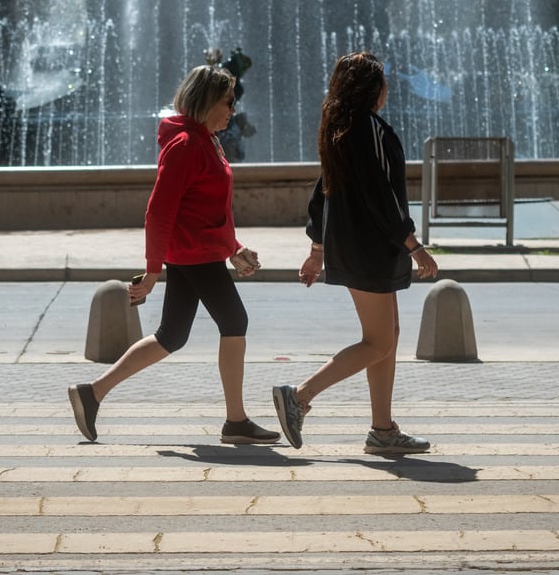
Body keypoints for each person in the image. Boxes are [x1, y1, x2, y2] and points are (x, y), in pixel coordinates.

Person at [69, 65, 280, 445]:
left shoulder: (206, 141)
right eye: (227, 101)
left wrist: (234, 248)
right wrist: (152, 271)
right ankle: (236, 421)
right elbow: (159, 212)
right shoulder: (185, 145)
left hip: (199, 252)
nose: (233, 109)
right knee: (235, 321)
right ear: (207, 101)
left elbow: (208, 207)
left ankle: (92, 392)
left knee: (172, 335)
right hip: (193, 254)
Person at [272, 51, 439, 455]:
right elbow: (384, 196)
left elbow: (322, 193)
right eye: (383, 83)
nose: (387, 90)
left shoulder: (340, 129)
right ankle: (299, 397)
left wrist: (316, 250)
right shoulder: (370, 130)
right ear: (372, 89)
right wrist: (413, 245)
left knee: (386, 338)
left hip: (355, 247)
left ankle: (383, 431)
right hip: (372, 248)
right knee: (379, 341)